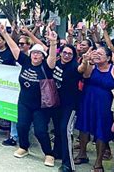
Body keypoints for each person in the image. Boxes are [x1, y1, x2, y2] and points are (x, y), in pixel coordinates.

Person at [0, 18, 58, 167]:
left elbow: (52, 57)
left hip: (40, 106)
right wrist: (4, 33)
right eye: (34, 53)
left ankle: (49, 154)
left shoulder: (46, 66)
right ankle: (24, 147)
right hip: (24, 102)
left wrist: (52, 43)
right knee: (21, 126)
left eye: (39, 54)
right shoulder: (25, 61)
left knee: (40, 131)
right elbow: (13, 48)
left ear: (42, 56)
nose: (36, 56)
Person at [74, 47, 114, 172]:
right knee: (84, 128)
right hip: (87, 102)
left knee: (101, 131)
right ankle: (82, 154)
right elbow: (85, 75)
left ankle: (98, 162)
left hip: (104, 106)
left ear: (108, 58)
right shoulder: (92, 67)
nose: (97, 55)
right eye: (95, 53)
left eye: (100, 54)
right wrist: (87, 61)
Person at [49, 44, 83, 172]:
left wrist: (85, 61)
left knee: (65, 131)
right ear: (60, 53)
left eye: (70, 53)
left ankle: (68, 164)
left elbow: (82, 69)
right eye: (65, 52)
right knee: (57, 129)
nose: (67, 55)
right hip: (56, 103)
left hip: (70, 105)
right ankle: (57, 152)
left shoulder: (74, 66)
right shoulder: (56, 63)